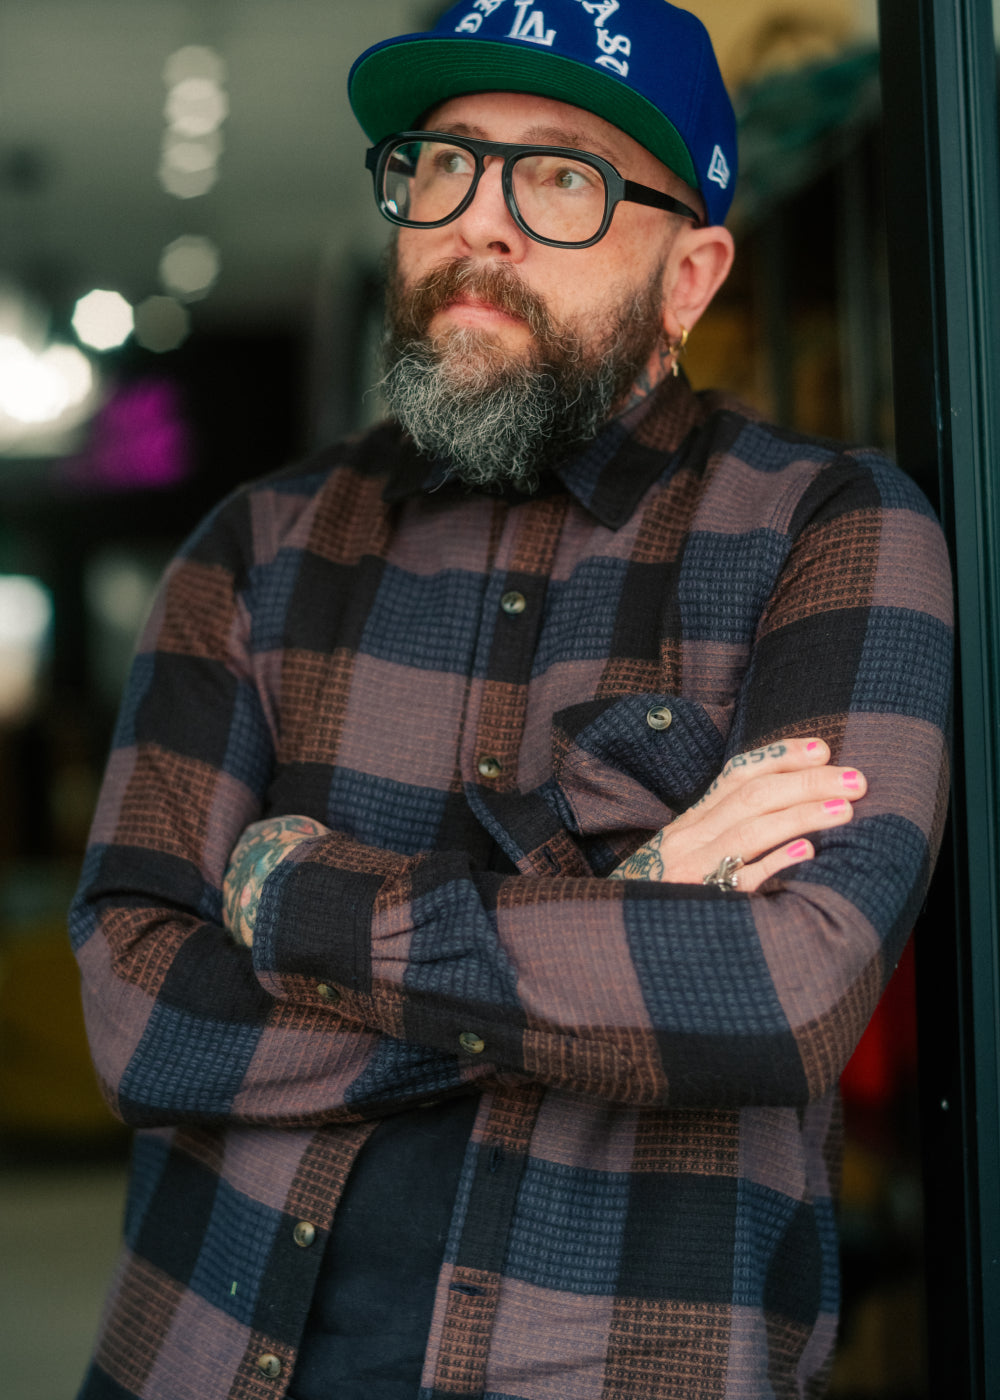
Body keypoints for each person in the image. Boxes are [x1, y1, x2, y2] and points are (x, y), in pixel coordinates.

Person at [70, 2, 953, 1397]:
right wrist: (632, 903)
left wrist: (298, 910)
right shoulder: (253, 548)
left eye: (562, 176)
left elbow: (785, 996)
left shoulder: (828, 534)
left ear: (692, 273)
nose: (480, 220)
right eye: (444, 163)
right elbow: (141, 1020)